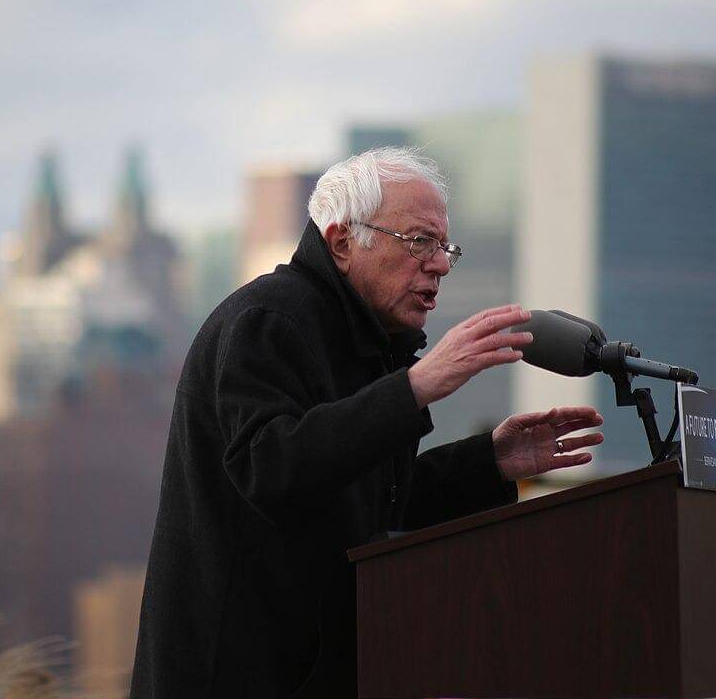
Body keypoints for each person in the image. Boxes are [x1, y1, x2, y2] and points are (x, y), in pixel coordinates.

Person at [130, 148, 604, 697]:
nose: (441, 265)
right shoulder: (267, 321)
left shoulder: (372, 342)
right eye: (419, 242)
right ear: (342, 242)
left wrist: (489, 461)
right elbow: (273, 469)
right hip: (237, 675)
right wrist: (415, 387)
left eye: (444, 247)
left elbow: (374, 505)